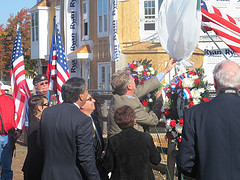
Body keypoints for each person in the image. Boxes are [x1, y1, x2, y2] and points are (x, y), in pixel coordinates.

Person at [176, 60, 240, 180]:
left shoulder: (194, 114)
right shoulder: (194, 114)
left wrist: (205, 171)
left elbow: (185, 162)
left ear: (214, 82)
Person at [39, 77, 101, 180]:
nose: (87, 94)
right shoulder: (83, 120)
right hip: (72, 175)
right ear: (81, 96)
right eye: (86, 91)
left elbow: (40, 144)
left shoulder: (47, 113)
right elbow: (86, 157)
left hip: (49, 174)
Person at [108, 59, 177, 137]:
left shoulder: (119, 95)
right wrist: (159, 101)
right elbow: (152, 120)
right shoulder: (129, 105)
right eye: (133, 80)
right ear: (129, 86)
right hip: (126, 144)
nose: (135, 81)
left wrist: (166, 70)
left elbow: (144, 88)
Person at [102, 105, 161, 180]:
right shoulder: (146, 138)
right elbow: (156, 160)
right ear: (134, 120)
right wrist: (154, 148)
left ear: (117, 123)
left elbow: (107, 166)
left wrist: (104, 156)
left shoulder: (113, 141)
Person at [80, 94, 109, 180]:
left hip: (100, 165)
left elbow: (98, 137)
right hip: (87, 168)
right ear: (82, 105)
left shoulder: (94, 118)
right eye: (90, 99)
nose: (94, 101)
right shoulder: (78, 122)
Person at [22, 95, 49, 180]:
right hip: (35, 169)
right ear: (39, 108)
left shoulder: (39, 123)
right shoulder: (36, 126)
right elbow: (38, 150)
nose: (49, 107)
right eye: (46, 105)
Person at [0, 82, 20, 179]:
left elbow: (17, 115)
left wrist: (18, 129)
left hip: (8, 136)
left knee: (6, 167)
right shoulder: (10, 98)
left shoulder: (10, 99)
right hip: (6, 136)